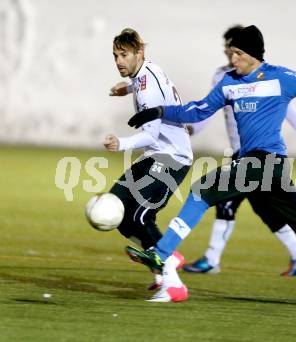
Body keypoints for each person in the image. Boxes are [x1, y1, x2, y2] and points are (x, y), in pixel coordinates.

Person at [126, 25, 296, 311]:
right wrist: (161, 112)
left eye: (237, 53)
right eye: (231, 53)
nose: (232, 59)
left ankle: (162, 254)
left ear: (253, 54)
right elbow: (199, 110)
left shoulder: (280, 78)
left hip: (266, 162)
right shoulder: (228, 82)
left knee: (202, 190)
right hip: (258, 165)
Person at [184, 25, 296, 276]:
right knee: (265, 208)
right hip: (243, 154)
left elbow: (288, 107)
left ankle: (211, 259)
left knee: (224, 202)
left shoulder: (263, 76)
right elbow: (208, 110)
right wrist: (192, 130)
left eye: (233, 47)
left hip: (255, 158)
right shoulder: (222, 76)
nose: (229, 52)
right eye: (227, 46)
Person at [103, 28, 191, 302]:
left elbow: (150, 135)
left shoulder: (147, 89)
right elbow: (144, 83)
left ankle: (172, 282)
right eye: (116, 55)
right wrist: (126, 86)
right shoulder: (148, 70)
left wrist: (121, 144)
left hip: (171, 157)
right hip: (156, 155)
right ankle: (163, 259)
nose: (119, 61)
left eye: (124, 54)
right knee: (117, 209)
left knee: (140, 216)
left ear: (139, 53)